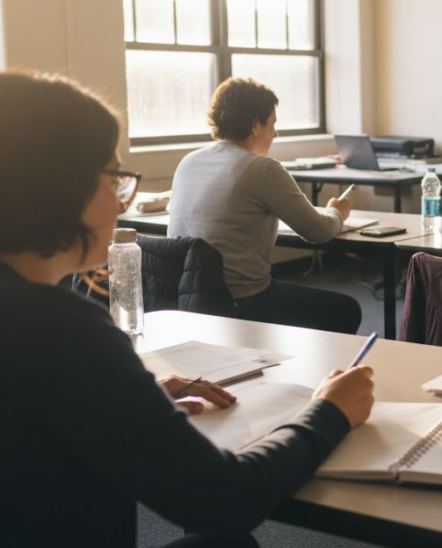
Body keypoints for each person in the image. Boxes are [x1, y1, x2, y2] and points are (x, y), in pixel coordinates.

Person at [0, 70, 376, 547]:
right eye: (116, 179)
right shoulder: (63, 331)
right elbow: (223, 500)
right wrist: (330, 412)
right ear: (58, 186)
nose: (123, 202)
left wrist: (133, 393)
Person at [169, 78, 361, 334]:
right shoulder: (262, 168)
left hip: (187, 298)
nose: (275, 134)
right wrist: (337, 211)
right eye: (273, 124)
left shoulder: (188, 161)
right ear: (255, 125)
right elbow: (319, 232)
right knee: (346, 310)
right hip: (241, 300)